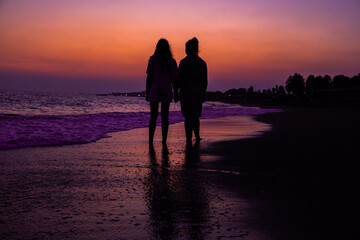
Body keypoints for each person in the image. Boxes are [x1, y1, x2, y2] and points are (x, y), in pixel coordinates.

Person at [146, 38, 178, 146]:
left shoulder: (153, 59)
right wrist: (176, 93)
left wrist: (147, 92)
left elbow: (149, 77)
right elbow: (174, 79)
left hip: (154, 90)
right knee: (165, 116)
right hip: (166, 90)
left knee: (153, 116)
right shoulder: (171, 61)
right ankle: (164, 141)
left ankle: (151, 140)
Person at [176, 37, 207, 145]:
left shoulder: (183, 62)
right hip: (197, 93)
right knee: (195, 116)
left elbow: (178, 80)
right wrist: (203, 94)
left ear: (188, 49)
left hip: (185, 93)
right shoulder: (202, 63)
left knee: (187, 117)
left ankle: (189, 138)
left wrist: (176, 93)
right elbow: (205, 81)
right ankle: (197, 136)